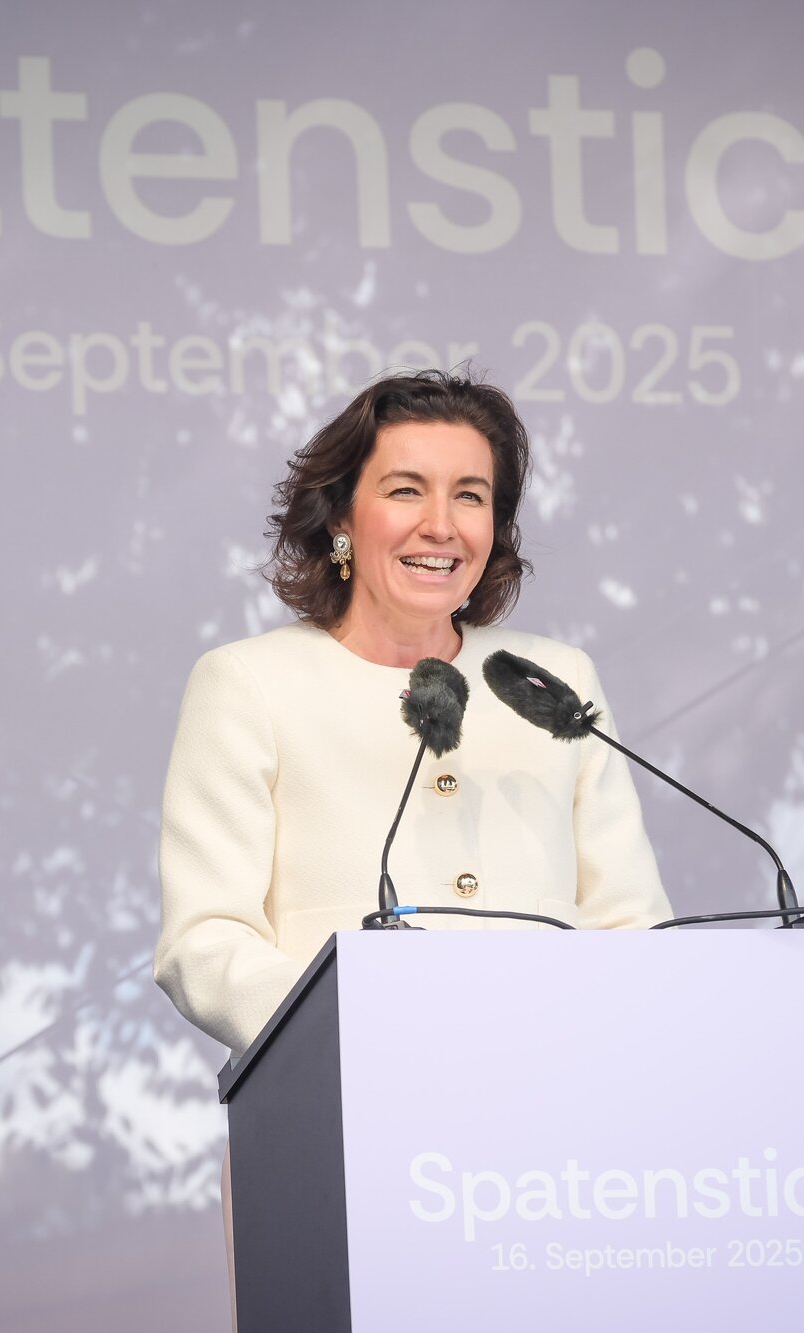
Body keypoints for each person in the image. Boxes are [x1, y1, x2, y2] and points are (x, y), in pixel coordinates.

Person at [153, 369, 674, 1055]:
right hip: (347, 1085)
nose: (441, 526)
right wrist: (371, 1033)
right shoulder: (250, 684)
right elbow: (204, 942)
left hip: (557, 1089)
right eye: (405, 491)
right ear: (340, 519)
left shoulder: (554, 681)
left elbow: (633, 926)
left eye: (470, 496)